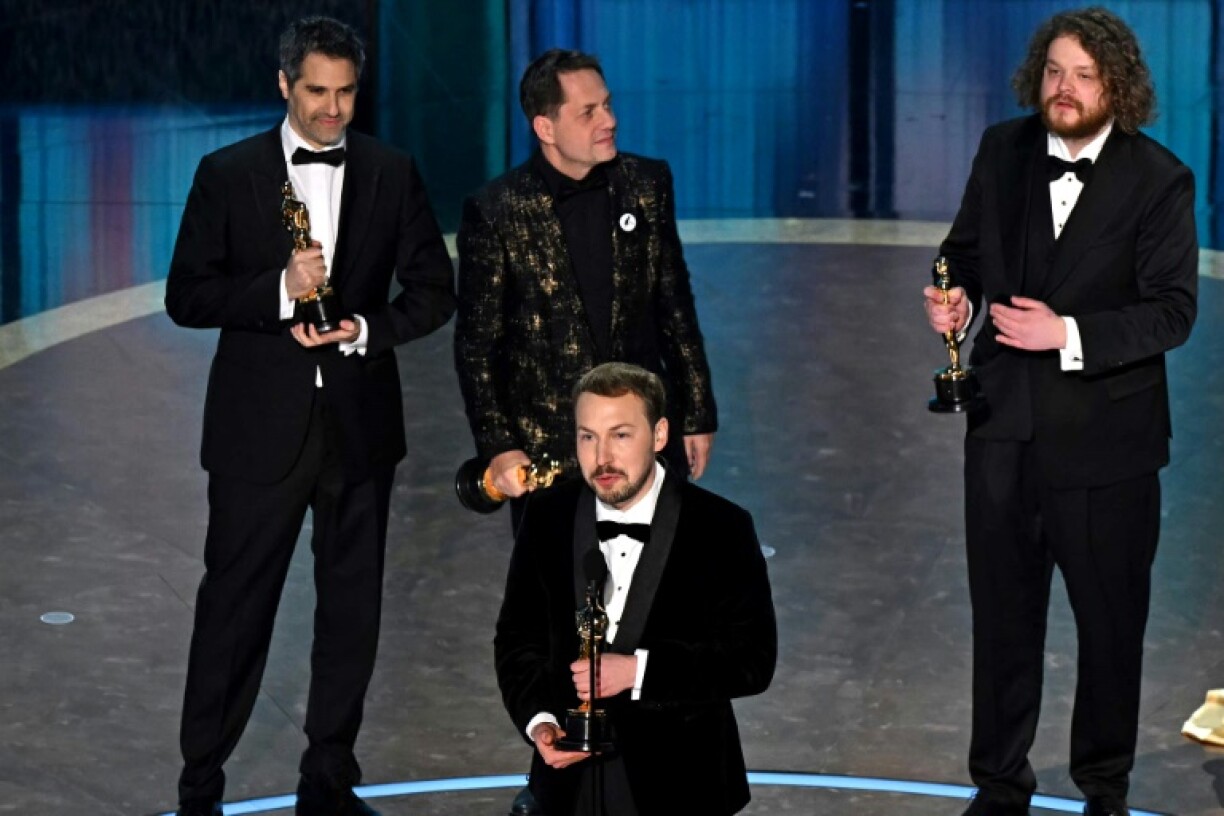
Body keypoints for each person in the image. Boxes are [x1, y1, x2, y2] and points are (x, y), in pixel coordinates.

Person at [164, 16, 455, 816]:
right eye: (317, 92)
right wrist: (277, 292)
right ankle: (200, 790)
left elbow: (434, 291)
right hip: (259, 432)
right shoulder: (227, 173)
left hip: (360, 431)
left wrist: (364, 329)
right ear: (284, 85)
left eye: (347, 92)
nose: (333, 110)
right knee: (235, 610)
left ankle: (327, 779)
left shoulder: (393, 172)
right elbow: (186, 295)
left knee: (351, 611)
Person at [923, 8, 1197, 816]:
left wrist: (1065, 333)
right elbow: (961, 251)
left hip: (1108, 450)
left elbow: (1173, 311)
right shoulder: (1001, 150)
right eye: (1053, 71)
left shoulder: (1159, 179)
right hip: (1003, 433)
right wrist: (955, 299)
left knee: (1109, 632)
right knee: (1002, 626)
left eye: (1082, 74)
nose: (1064, 88)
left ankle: (1102, 790)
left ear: (1116, 84)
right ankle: (1000, 784)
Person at [494, 362, 776, 815]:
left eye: (621, 435)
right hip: (569, 784)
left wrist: (639, 672)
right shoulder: (548, 516)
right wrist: (540, 721)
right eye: (588, 436)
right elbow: (517, 639)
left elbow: (752, 660)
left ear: (659, 435)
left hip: (682, 785)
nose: (602, 456)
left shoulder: (721, 527)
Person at [454, 48, 718, 520]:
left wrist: (697, 413)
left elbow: (674, 307)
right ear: (546, 128)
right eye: (589, 112)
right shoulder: (496, 211)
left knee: (660, 583)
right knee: (558, 590)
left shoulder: (646, 184)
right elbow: (477, 348)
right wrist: (498, 446)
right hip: (551, 457)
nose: (609, 120)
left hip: (645, 445)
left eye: (608, 105)